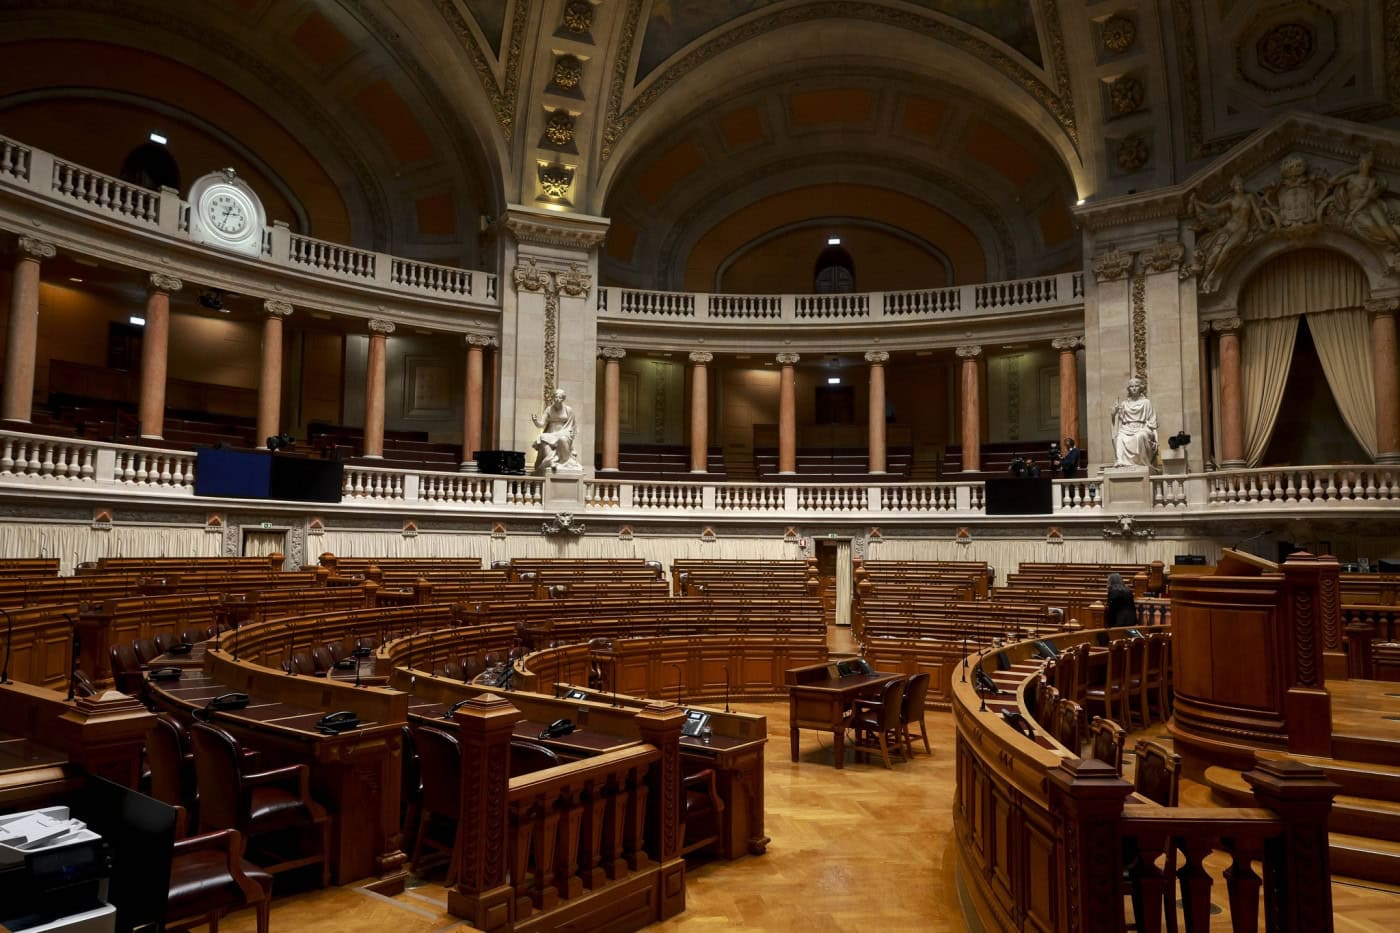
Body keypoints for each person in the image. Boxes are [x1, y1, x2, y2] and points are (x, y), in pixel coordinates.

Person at [530, 388, 580, 474]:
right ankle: (551, 461)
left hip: (564, 432)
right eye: (556, 397)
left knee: (562, 439)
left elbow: (572, 426)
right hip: (551, 433)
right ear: (553, 398)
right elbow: (542, 424)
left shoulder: (568, 410)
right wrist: (535, 421)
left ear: (563, 399)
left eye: (560, 397)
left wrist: (569, 433)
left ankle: (560, 460)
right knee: (542, 437)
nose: (557, 399)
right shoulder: (549, 409)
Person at [1111, 378, 1158, 468]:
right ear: (1129, 389)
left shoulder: (1146, 402)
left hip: (1142, 428)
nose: (1134, 388)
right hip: (1127, 428)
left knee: (1140, 436)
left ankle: (1141, 462)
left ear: (1141, 388)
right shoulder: (1124, 404)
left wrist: (1156, 440)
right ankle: (1121, 461)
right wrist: (1114, 413)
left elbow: (1152, 423)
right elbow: (1117, 421)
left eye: (1136, 386)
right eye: (1132, 386)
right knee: (1120, 437)